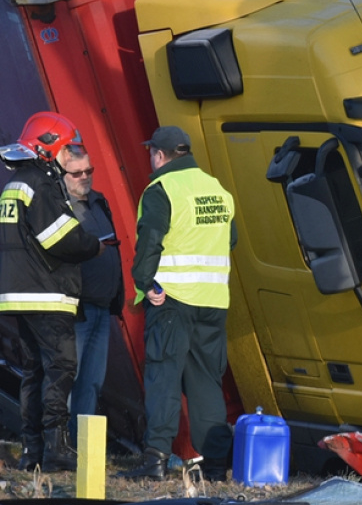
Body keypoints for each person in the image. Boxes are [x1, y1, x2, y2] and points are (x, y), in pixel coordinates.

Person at [121, 126, 236, 481]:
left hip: (171, 301)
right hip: (213, 301)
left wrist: (144, 283)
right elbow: (228, 241)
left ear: (159, 155)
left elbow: (150, 242)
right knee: (206, 383)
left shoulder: (161, 189)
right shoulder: (218, 190)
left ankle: (155, 458)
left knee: (163, 377)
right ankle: (216, 464)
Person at [0, 112, 104, 472]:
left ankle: (33, 452)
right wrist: (93, 246)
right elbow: (58, 238)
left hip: (18, 294)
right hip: (47, 293)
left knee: (34, 372)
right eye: (66, 148)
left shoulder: (15, 184)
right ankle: (57, 450)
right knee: (60, 368)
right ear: (48, 149)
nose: (69, 154)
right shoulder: (42, 184)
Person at [62, 151, 124, 431]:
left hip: (101, 305)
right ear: (61, 174)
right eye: (77, 173)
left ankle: (79, 448)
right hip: (76, 308)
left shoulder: (98, 201)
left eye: (89, 170)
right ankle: (57, 444)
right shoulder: (59, 206)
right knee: (67, 379)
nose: (85, 177)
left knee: (91, 381)